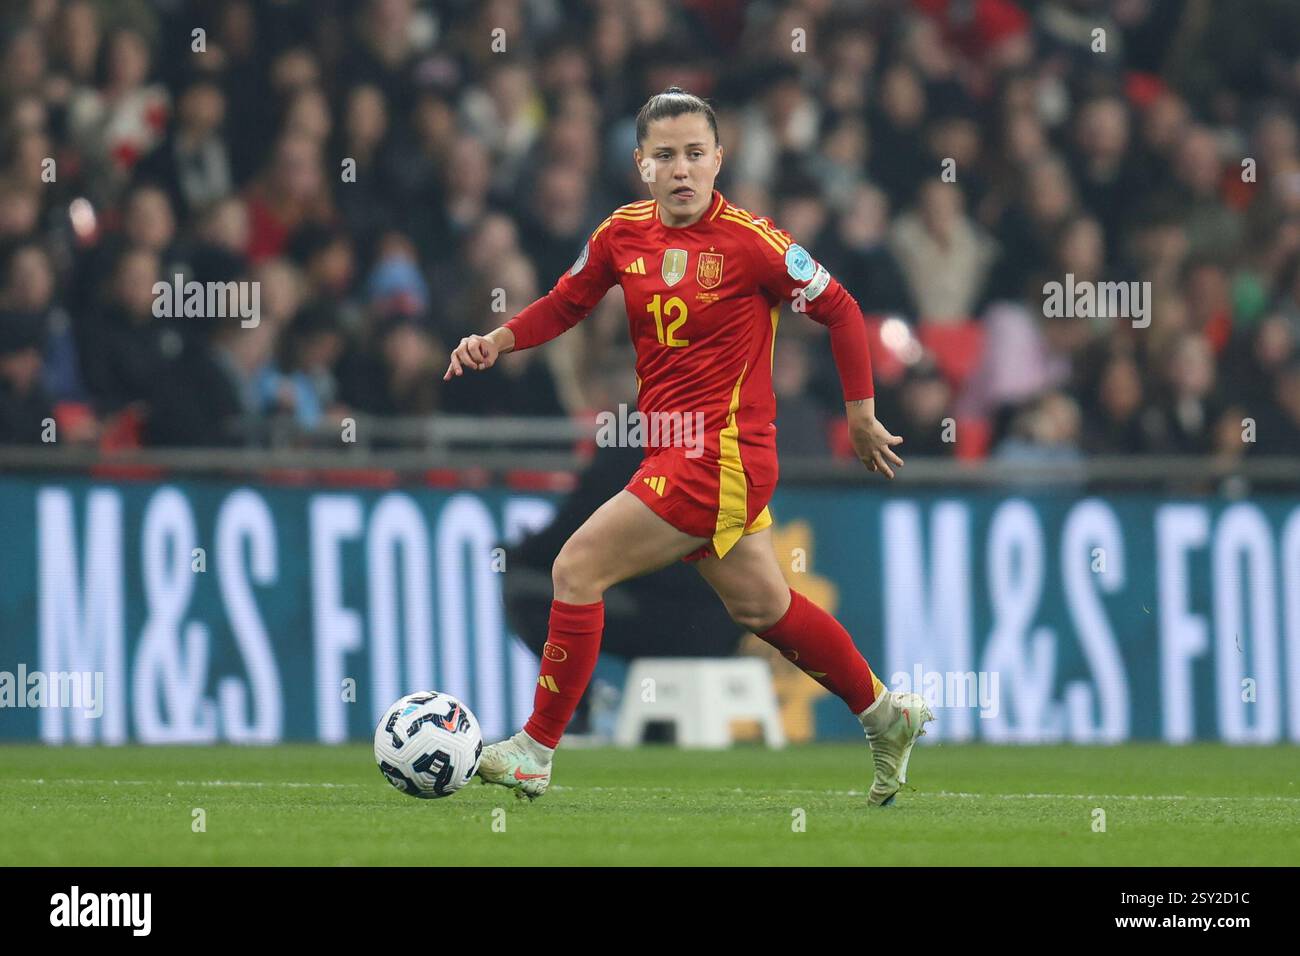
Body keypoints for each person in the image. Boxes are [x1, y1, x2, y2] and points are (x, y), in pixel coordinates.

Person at [443, 88, 932, 806]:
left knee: (575, 567)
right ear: (641, 165)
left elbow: (844, 310)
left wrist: (860, 415)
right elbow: (568, 301)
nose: (682, 169)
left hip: (724, 457)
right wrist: (498, 339)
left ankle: (535, 750)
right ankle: (886, 716)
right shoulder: (621, 235)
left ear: (718, 160)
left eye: (695, 154)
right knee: (765, 607)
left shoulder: (753, 241)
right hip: (667, 453)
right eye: (665, 155)